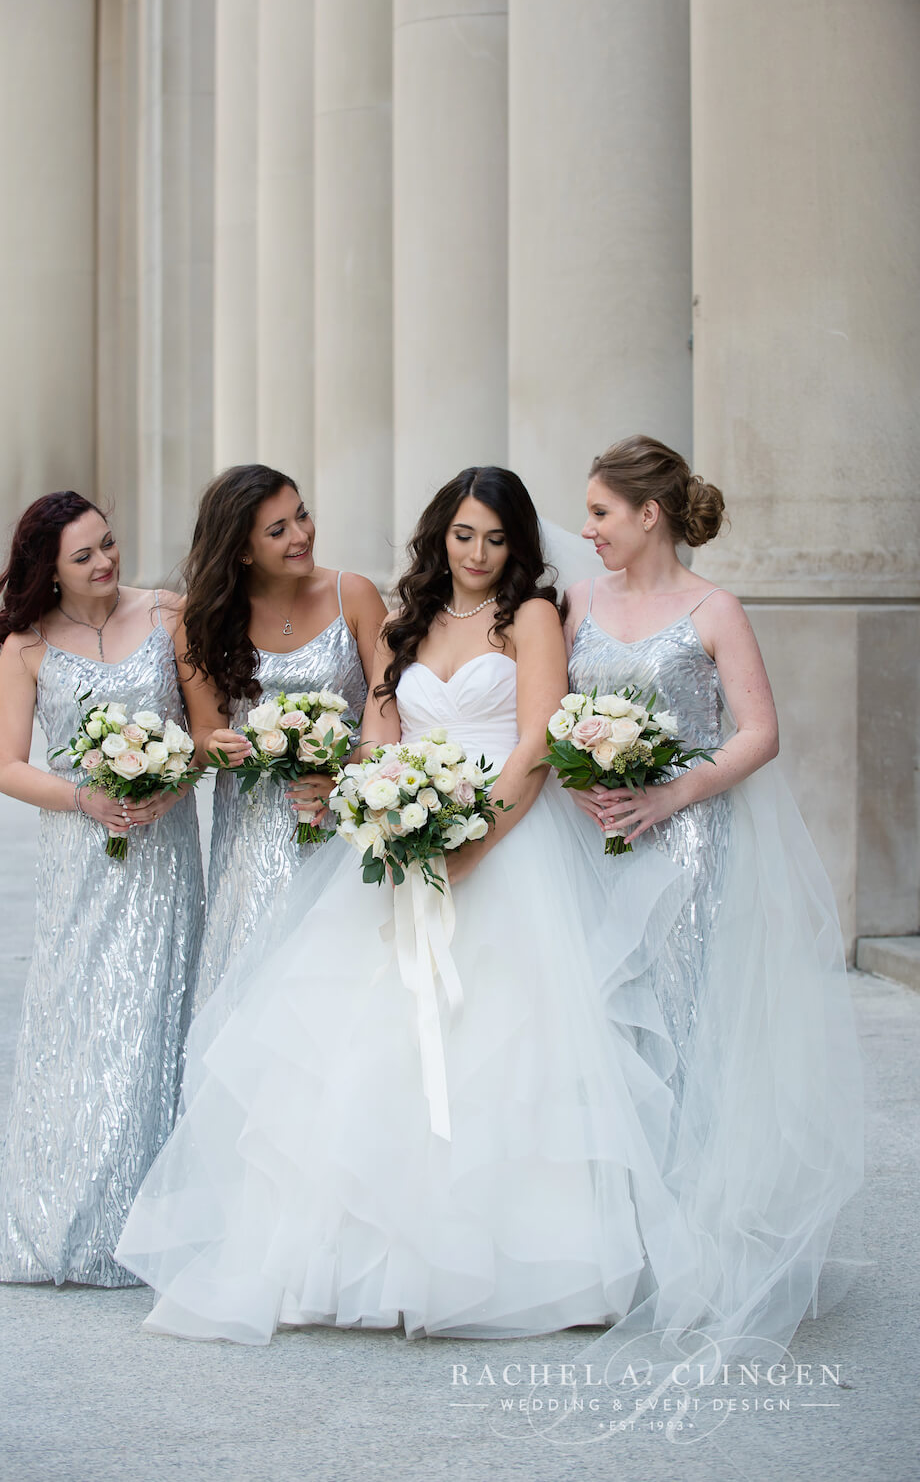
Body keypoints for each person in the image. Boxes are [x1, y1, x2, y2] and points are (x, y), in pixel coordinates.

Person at [115, 466, 685, 1343]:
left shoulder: (532, 617)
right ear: (439, 536)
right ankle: (363, 1260)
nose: (479, 554)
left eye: (496, 539)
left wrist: (475, 839)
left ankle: (522, 1267)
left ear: (518, 544)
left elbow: (536, 739)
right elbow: (383, 725)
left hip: (507, 846)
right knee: (362, 1046)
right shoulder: (408, 615)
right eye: (464, 535)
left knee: (507, 1047)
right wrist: (379, 801)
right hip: (404, 838)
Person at [564, 435, 863, 1377]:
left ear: (649, 514)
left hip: (686, 845)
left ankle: (693, 1241)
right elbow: (554, 713)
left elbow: (760, 733)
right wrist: (583, 788)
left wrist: (667, 797)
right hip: (593, 843)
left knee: (689, 1029)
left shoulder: (714, 610)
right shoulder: (576, 604)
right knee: (606, 1031)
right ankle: (616, 1243)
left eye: (602, 514)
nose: (588, 530)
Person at [0, 491, 204, 1287]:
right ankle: (66, 1216)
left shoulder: (167, 615)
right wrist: (88, 799)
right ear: (50, 570)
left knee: (157, 1013)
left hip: (165, 849)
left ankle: (152, 1223)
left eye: (108, 544)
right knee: (79, 1019)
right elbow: (9, 767)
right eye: (85, 556)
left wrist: (168, 789)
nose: (106, 563)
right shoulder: (28, 647)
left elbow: (205, 734)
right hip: (82, 850)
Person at [179, 465, 385, 1011]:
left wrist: (344, 776)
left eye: (302, 515)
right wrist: (214, 746)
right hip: (252, 831)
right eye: (278, 530)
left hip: (343, 820)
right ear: (242, 550)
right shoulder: (207, 619)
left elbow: (388, 713)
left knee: (342, 984)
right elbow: (204, 730)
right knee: (257, 979)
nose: (301, 535)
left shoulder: (355, 595)